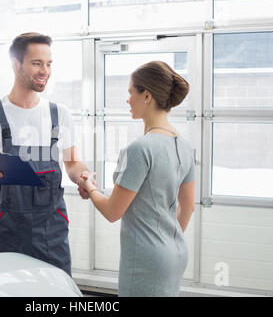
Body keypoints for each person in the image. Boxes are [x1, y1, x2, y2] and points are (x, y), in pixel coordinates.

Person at [0, 32, 94, 276]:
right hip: (7, 230)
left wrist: (84, 176)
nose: (44, 71)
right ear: (16, 65)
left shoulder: (60, 114)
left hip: (52, 230)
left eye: (48, 64)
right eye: (37, 63)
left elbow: (72, 162)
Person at [78, 61, 195, 296]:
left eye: (131, 92)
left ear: (147, 96)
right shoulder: (184, 147)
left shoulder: (140, 149)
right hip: (176, 254)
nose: (128, 99)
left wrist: (90, 187)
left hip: (146, 259)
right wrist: (167, 243)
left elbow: (113, 212)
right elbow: (188, 207)